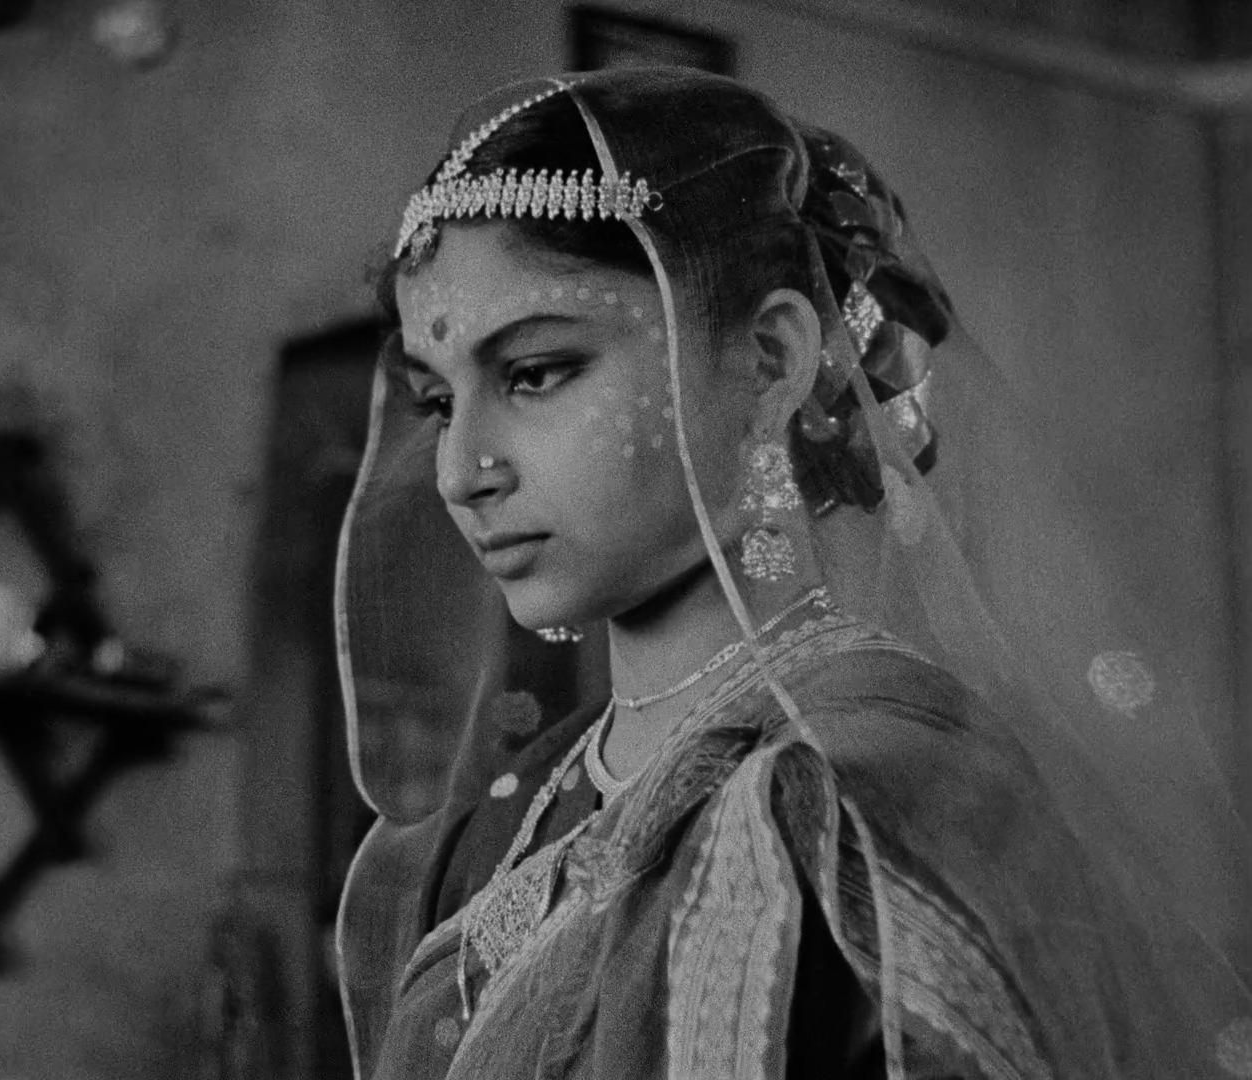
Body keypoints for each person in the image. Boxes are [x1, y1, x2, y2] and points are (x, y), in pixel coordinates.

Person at [333, 67, 1252, 1079]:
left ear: (770, 360)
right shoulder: (510, 812)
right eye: (437, 403)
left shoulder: (875, 789)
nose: (462, 471)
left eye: (535, 373)